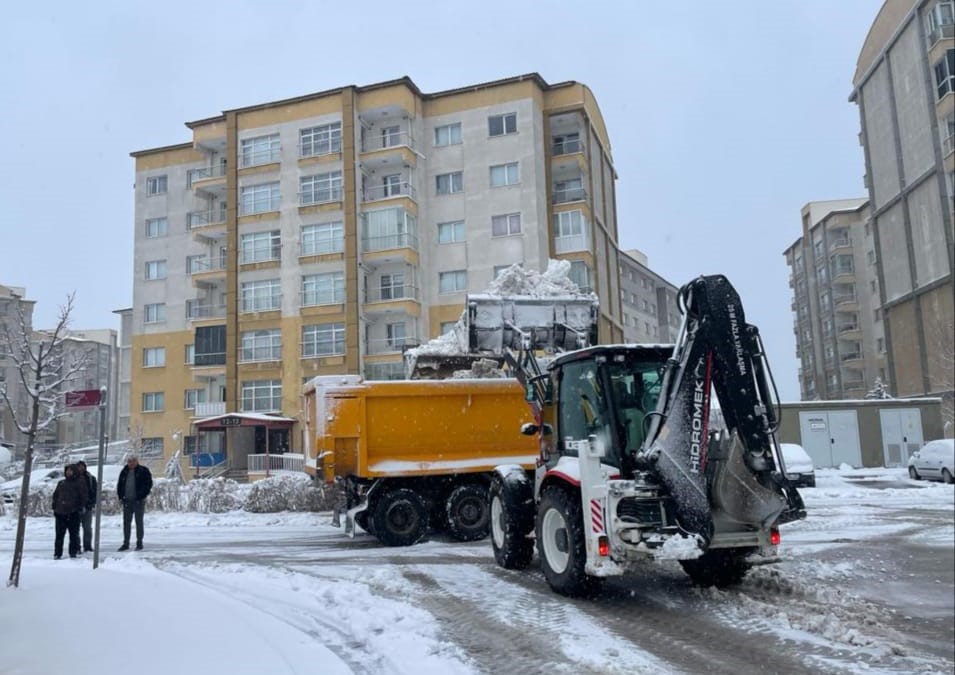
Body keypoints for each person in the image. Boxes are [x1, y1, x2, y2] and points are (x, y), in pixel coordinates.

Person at [116, 453, 153, 551]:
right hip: (127, 501)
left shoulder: (143, 471)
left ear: (137, 461)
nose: (131, 463)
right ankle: (126, 543)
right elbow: (119, 485)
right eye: (129, 461)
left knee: (139, 522)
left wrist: (142, 495)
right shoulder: (124, 471)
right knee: (126, 523)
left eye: (133, 461)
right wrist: (120, 497)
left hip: (138, 501)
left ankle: (139, 542)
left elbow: (148, 484)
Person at [52, 464, 88, 559]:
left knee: (73, 535)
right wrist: (55, 507)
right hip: (60, 513)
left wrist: (79, 508)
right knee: (59, 535)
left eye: (71, 470)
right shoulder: (61, 483)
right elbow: (55, 496)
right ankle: (57, 553)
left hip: (73, 513)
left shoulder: (79, 483)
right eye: (67, 470)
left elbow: (83, 497)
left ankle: (73, 552)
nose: (68, 472)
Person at [74, 460, 97, 553]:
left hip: (87, 507)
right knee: (75, 529)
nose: (80, 468)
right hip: (75, 508)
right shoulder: (73, 479)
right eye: (79, 467)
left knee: (87, 528)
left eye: (82, 466)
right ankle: (77, 547)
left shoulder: (91, 478)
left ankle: (87, 546)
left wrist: (91, 503)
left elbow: (95, 492)